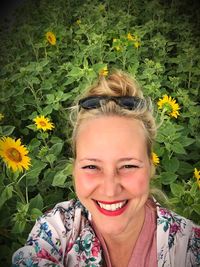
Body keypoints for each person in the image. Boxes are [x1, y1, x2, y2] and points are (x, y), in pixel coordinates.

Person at [12, 71, 200, 267]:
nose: (110, 191)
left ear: (151, 166)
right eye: (92, 166)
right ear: (74, 169)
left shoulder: (189, 245)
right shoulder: (55, 232)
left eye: (128, 166)